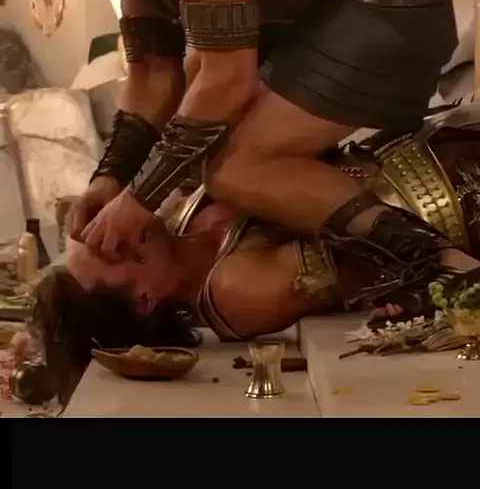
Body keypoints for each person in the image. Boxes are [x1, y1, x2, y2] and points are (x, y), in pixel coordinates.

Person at [0, 0, 460, 302]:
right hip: (320, 20)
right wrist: (110, 176)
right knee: (203, 125)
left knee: (234, 169)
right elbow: (154, 73)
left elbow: (227, 81)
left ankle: (443, 264)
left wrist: (140, 198)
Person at [33, 99, 480, 404]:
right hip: (450, 206)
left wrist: (115, 180)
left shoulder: (179, 215)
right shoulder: (232, 293)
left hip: (426, 140)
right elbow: (356, 264)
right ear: (145, 300)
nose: (113, 235)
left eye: (98, 235)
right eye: (111, 254)